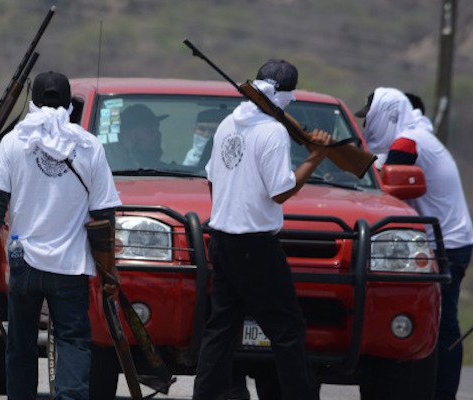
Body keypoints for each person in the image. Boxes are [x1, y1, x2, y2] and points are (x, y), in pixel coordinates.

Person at [0, 71, 122, 400]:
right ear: (70, 104)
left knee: (21, 343)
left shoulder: (14, 142)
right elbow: (104, 216)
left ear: (33, 101)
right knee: (72, 341)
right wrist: (109, 271)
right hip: (70, 268)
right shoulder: (89, 146)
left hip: (23, 263)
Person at [193, 59, 330, 400]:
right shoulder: (272, 131)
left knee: (221, 330)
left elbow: (212, 178)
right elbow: (280, 190)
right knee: (288, 329)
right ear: (286, 96)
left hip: (222, 240)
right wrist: (315, 158)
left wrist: (231, 208)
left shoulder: (228, 123)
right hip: (255, 246)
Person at [355, 88, 473, 400]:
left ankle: (443, 392)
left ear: (386, 114)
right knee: (433, 320)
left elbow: (382, 188)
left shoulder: (409, 141)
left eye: (371, 117)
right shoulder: (415, 136)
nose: (369, 125)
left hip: (447, 243)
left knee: (442, 321)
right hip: (446, 240)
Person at [107, 104, 169, 169]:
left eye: (157, 129)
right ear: (127, 135)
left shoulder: (164, 170)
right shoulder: (112, 168)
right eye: (150, 130)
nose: (157, 134)